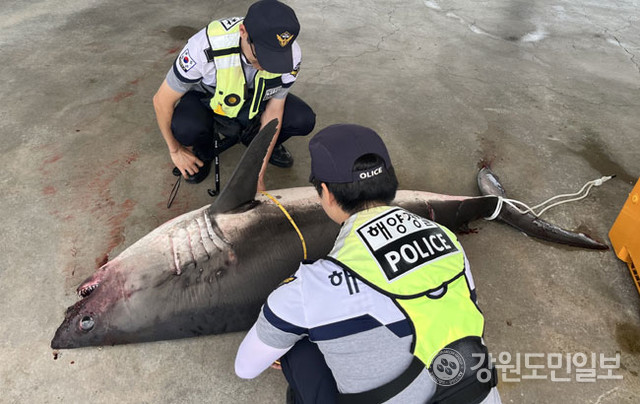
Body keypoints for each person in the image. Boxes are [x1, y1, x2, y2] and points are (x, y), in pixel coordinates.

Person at [235, 124, 502, 403]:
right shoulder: (447, 240)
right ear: (391, 180)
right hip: (476, 392)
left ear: (325, 192)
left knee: (295, 346)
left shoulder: (310, 287)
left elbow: (245, 368)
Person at [153, 0, 316, 191]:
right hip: (207, 98)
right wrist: (175, 150)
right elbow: (161, 101)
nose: (267, 65)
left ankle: (254, 141)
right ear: (243, 32)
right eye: (262, 55)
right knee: (186, 127)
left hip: (254, 98)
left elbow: (274, 110)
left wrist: (258, 171)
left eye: (276, 58)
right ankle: (202, 149)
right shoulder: (204, 46)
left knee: (302, 119)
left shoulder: (291, 55)